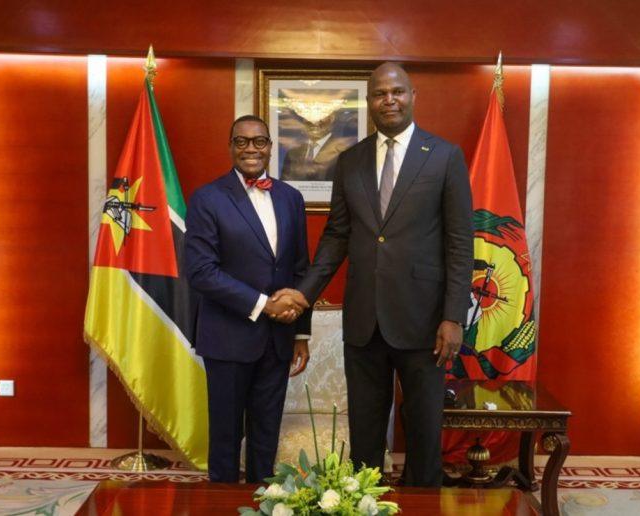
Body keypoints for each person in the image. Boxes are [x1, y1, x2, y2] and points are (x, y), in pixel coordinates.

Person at [278, 63, 473, 486]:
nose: (389, 100)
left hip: (425, 321)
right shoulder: (351, 160)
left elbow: (460, 243)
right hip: (364, 320)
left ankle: (423, 505)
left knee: (423, 430)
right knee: (365, 432)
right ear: (369, 102)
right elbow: (337, 236)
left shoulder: (444, 156)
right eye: (380, 93)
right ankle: (366, 504)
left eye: (397, 92)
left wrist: (453, 316)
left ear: (413, 96)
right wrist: (304, 293)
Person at [185, 115, 311, 483]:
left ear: (270, 147)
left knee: (266, 436)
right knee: (226, 438)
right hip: (227, 337)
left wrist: (301, 333)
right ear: (230, 147)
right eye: (241, 141)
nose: (250, 149)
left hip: (278, 339)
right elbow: (201, 272)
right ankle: (222, 505)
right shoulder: (207, 198)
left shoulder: (290, 197)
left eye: (259, 141)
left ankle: (263, 502)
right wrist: (264, 304)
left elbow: (299, 268)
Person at [281, 111, 356, 182]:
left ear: (331, 119)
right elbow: (284, 184)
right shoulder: (292, 153)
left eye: (321, 115)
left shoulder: (344, 153)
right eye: (309, 115)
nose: (314, 122)